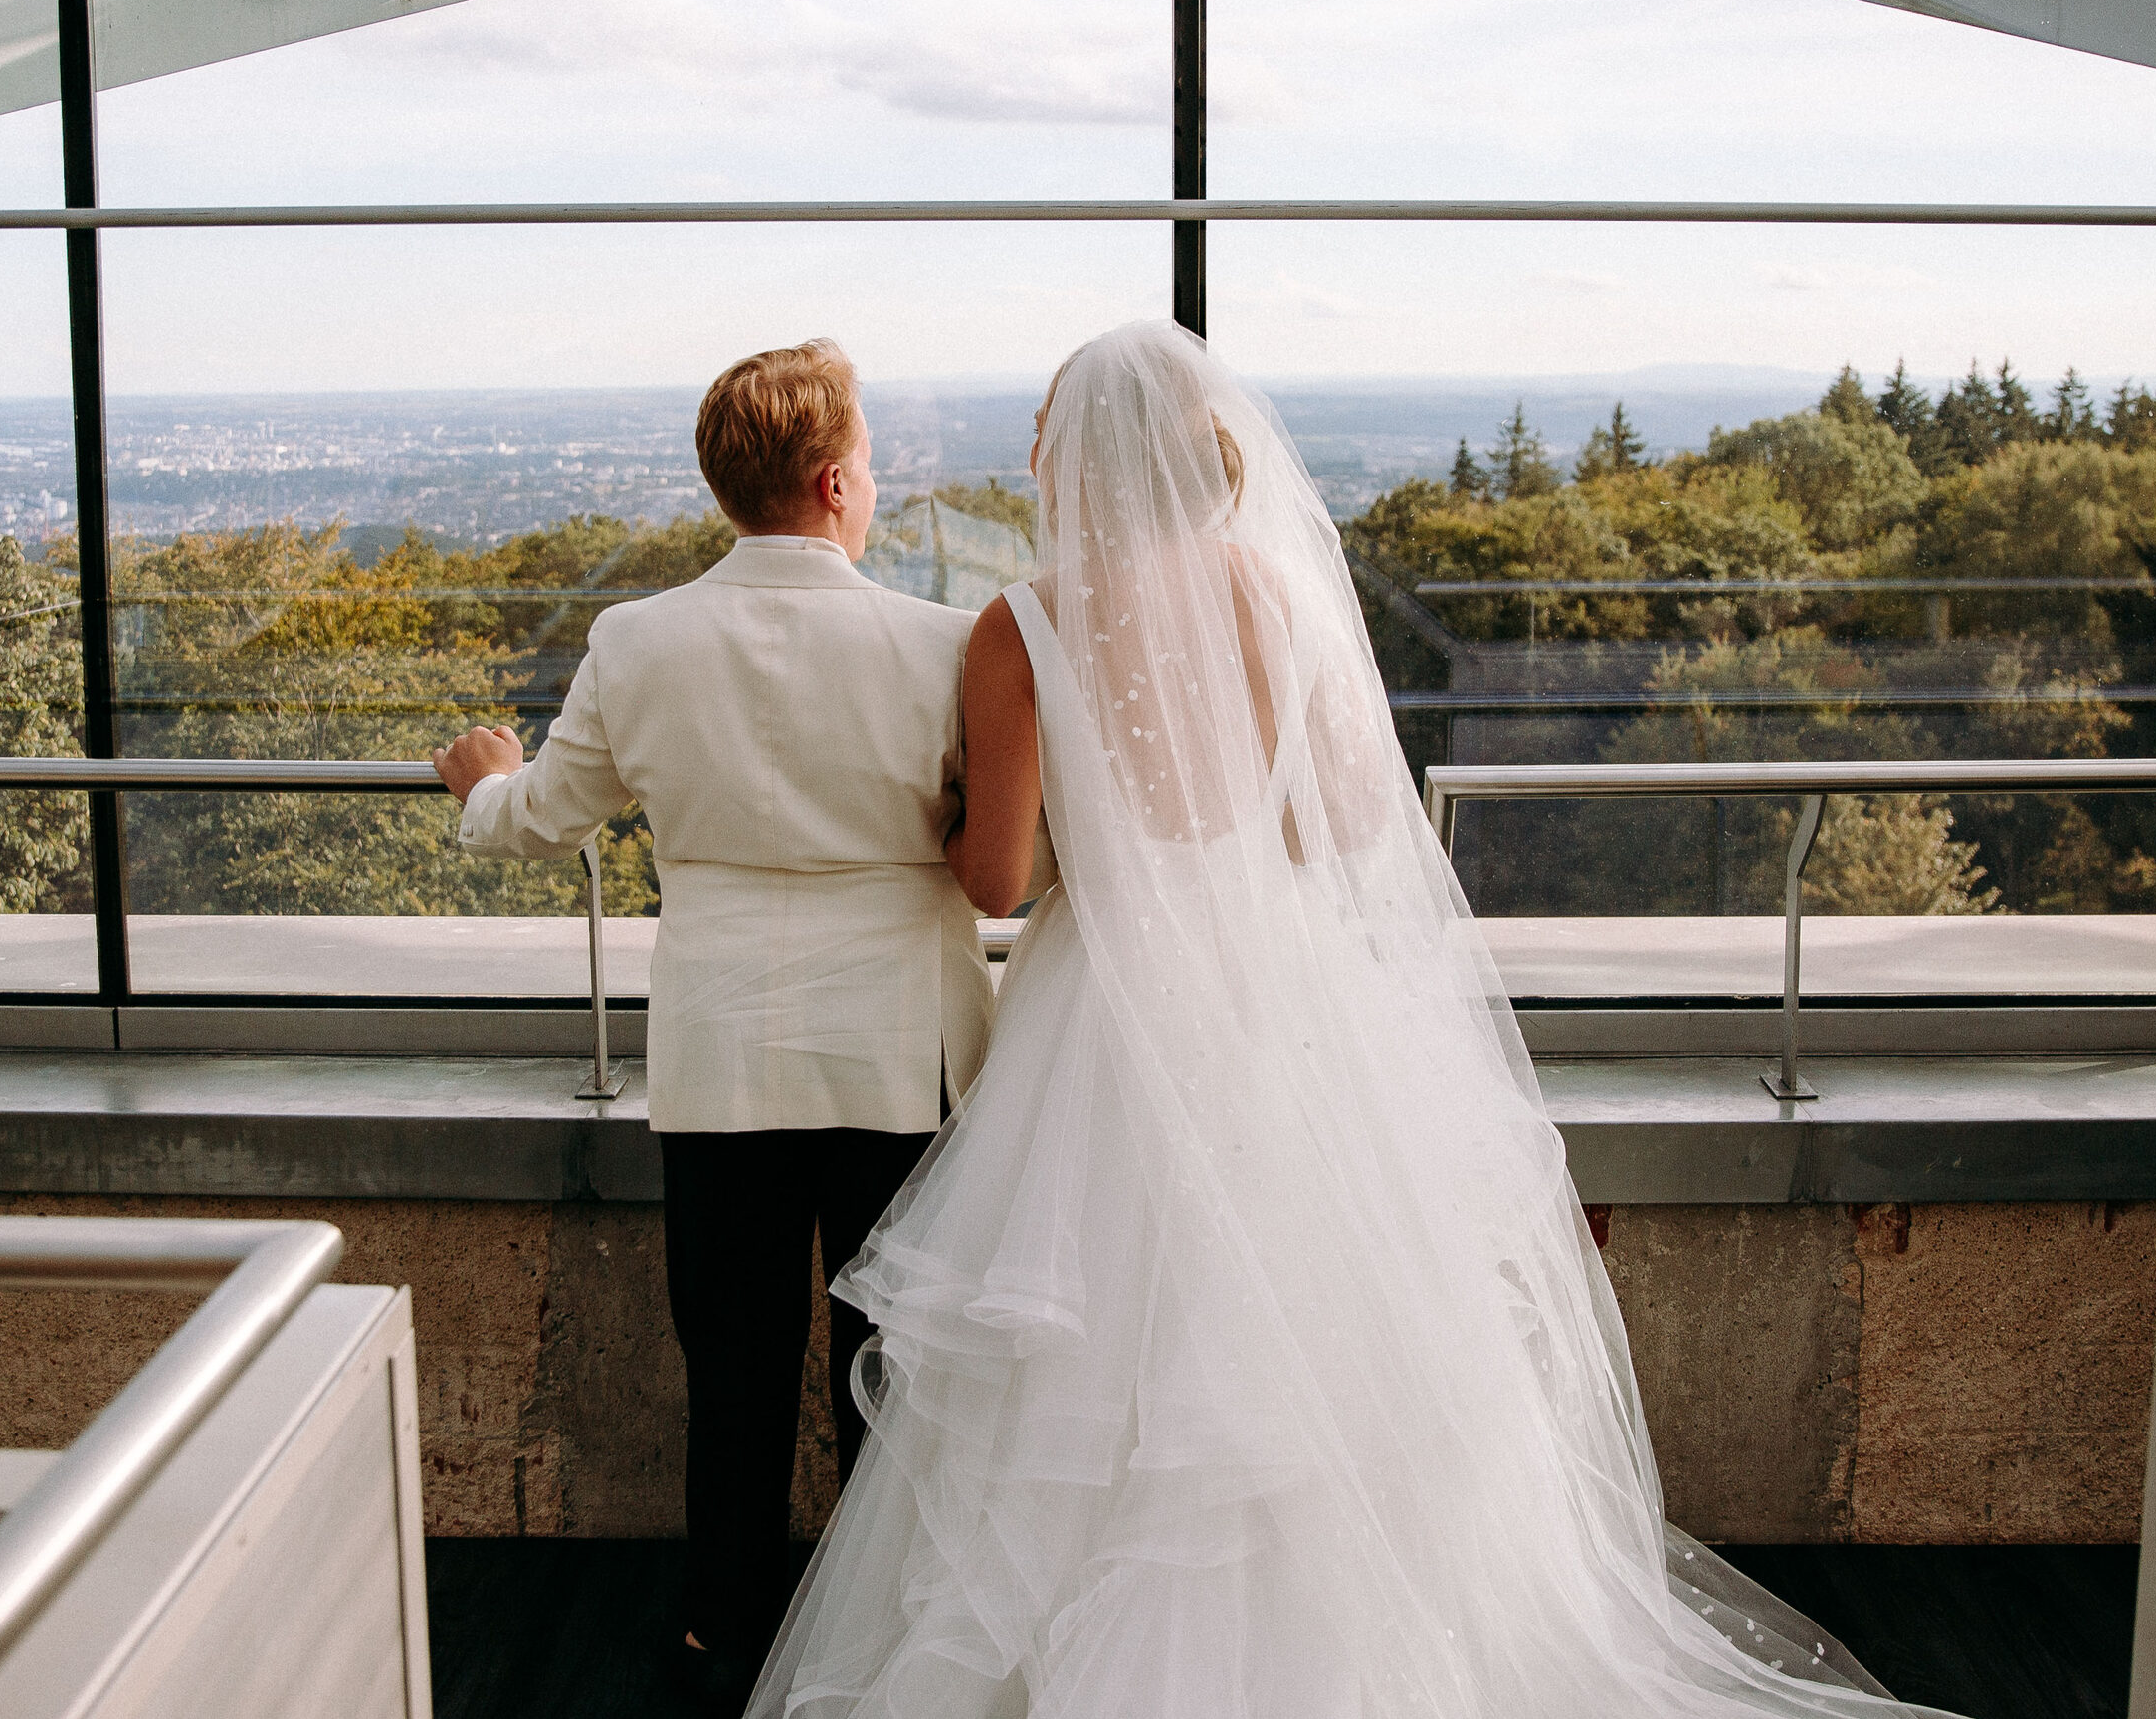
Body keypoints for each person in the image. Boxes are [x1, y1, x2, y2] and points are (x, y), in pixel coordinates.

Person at [746, 321, 1952, 1718]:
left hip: (1105, 1020)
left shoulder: (1021, 627)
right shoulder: (1269, 593)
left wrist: (979, 824)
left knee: (1097, 1371)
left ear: (1089, 461)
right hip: (1279, 1011)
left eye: (1042, 431)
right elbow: (1352, 823)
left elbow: (1000, 881)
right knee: (1318, 1343)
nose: (1030, 452)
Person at [435, 338, 990, 1712]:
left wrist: (479, 781)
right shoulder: (939, 644)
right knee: (888, 1367)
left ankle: (718, 1630)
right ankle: (886, 1640)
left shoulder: (638, 642)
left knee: (736, 1371)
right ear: (835, 478)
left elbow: (538, 823)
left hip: (723, 1055)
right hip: (899, 1056)